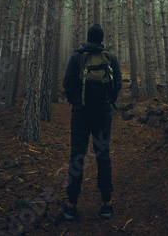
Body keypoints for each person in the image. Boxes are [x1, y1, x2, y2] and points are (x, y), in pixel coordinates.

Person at [62, 24, 122, 221]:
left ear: (88, 38)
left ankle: (71, 205)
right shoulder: (110, 57)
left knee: (77, 156)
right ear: (101, 39)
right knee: (103, 156)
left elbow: (68, 84)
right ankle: (107, 203)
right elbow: (118, 84)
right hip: (103, 113)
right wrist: (108, 102)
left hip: (81, 112)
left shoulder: (77, 56)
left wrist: (76, 102)